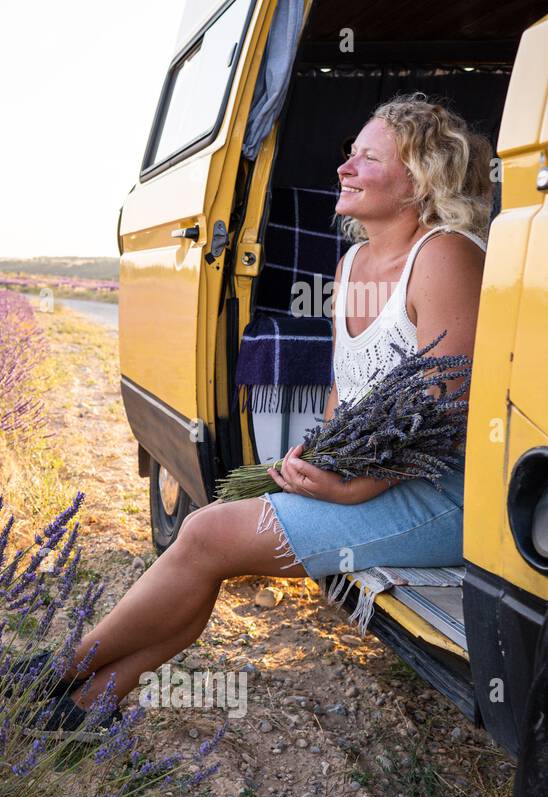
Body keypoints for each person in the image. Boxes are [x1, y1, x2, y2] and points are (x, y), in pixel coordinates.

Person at [25, 93, 493, 737]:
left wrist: (353, 485)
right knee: (208, 546)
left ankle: (63, 673)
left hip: (441, 498)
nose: (344, 168)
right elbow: (346, 388)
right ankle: (83, 702)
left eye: (367, 157)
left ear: (419, 179)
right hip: (382, 480)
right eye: (348, 153)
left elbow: (447, 406)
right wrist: (319, 455)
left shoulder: (446, 256)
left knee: (207, 536)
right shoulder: (355, 260)